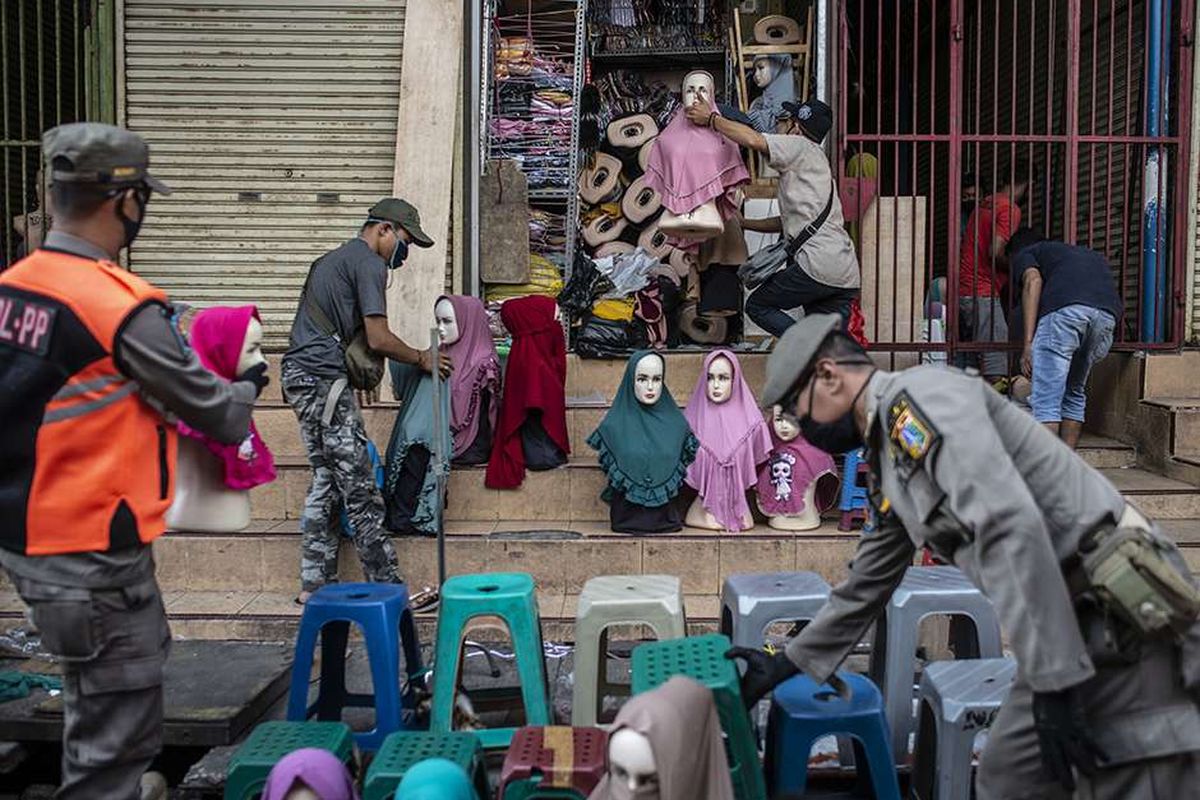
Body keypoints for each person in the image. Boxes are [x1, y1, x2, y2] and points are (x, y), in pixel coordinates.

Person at [730, 313, 1200, 800]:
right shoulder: (888, 451)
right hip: (1064, 626)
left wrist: (1057, 684)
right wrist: (787, 664)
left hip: (1119, 613)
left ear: (828, 375)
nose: (801, 426)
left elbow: (1009, 522)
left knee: (1127, 770)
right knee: (1010, 774)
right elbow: (869, 581)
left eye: (798, 408)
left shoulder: (924, 401)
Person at [0, 123, 266, 799]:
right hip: (94, 556)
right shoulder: (118, 308)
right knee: (113, 752)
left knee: (95, 716)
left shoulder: (14, 290)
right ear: (124, 203)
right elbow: (223, 416)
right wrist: (250, 381)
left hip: (34, 545)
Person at [282, 198, 450, 604]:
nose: (404, 255)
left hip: (301, 377)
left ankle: (314, 585)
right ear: (384, 230)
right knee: (359, 486)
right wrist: (421, 357)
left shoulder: (332, 260)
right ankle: (389, 588)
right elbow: (377, 337)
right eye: (405, 243)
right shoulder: (369, 264)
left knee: (327, 479)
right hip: (323, 382)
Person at [684, 96, 860, 336]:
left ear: (796, 127)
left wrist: (712, 119)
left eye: (783, 121)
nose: (779, 125)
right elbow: (787, 223)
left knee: (758, 306)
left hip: (817, 266)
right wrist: (745, 223)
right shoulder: (819, 166)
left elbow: (753, 140)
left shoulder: (799, 146)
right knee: (832, 342)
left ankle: (806, 347)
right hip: (844, 273)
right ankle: (824, 358)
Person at [1009, 228, 1123, 449]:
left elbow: (1033, 282)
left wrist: (1028, 344)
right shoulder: (1076, 254)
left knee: (1046, 399)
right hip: (1106, 317)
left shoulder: (1026, 253)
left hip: (1066, 313)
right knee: (1073, 392)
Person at [957, 158, 1033, 385]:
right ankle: (992, 419)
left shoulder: (984, 204)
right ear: (1027, 183)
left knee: (972, 366)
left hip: (965, 290)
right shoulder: (1010, 209)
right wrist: (1021, 268)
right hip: (983, 294)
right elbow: (995, 250)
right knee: (995, 372)